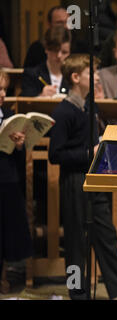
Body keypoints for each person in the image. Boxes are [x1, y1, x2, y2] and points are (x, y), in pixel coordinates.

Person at [48, 54, 117, 300]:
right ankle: (78, 294)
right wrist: (87, 152)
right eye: (92, 73)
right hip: (74, 182)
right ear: (75, 77)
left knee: (106, 236)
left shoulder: (91, 106)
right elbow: (55, 154)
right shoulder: (63, 112)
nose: (98, 76)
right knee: (75, 242)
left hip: (95, 177)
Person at [0, 71, 33, 291]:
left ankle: (2, 276)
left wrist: (19, 145)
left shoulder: (8, 114)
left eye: (4, 90)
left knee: (5, 232)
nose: (2, 94)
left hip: (6, 179)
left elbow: (18, 157)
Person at [20, 26, 71, 97]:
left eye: (64, 52)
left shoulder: (74, 76)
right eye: (55, 50)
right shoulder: (32, 75)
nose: (59, 56)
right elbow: (24, 104)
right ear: (46, 49)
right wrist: (41, 96)